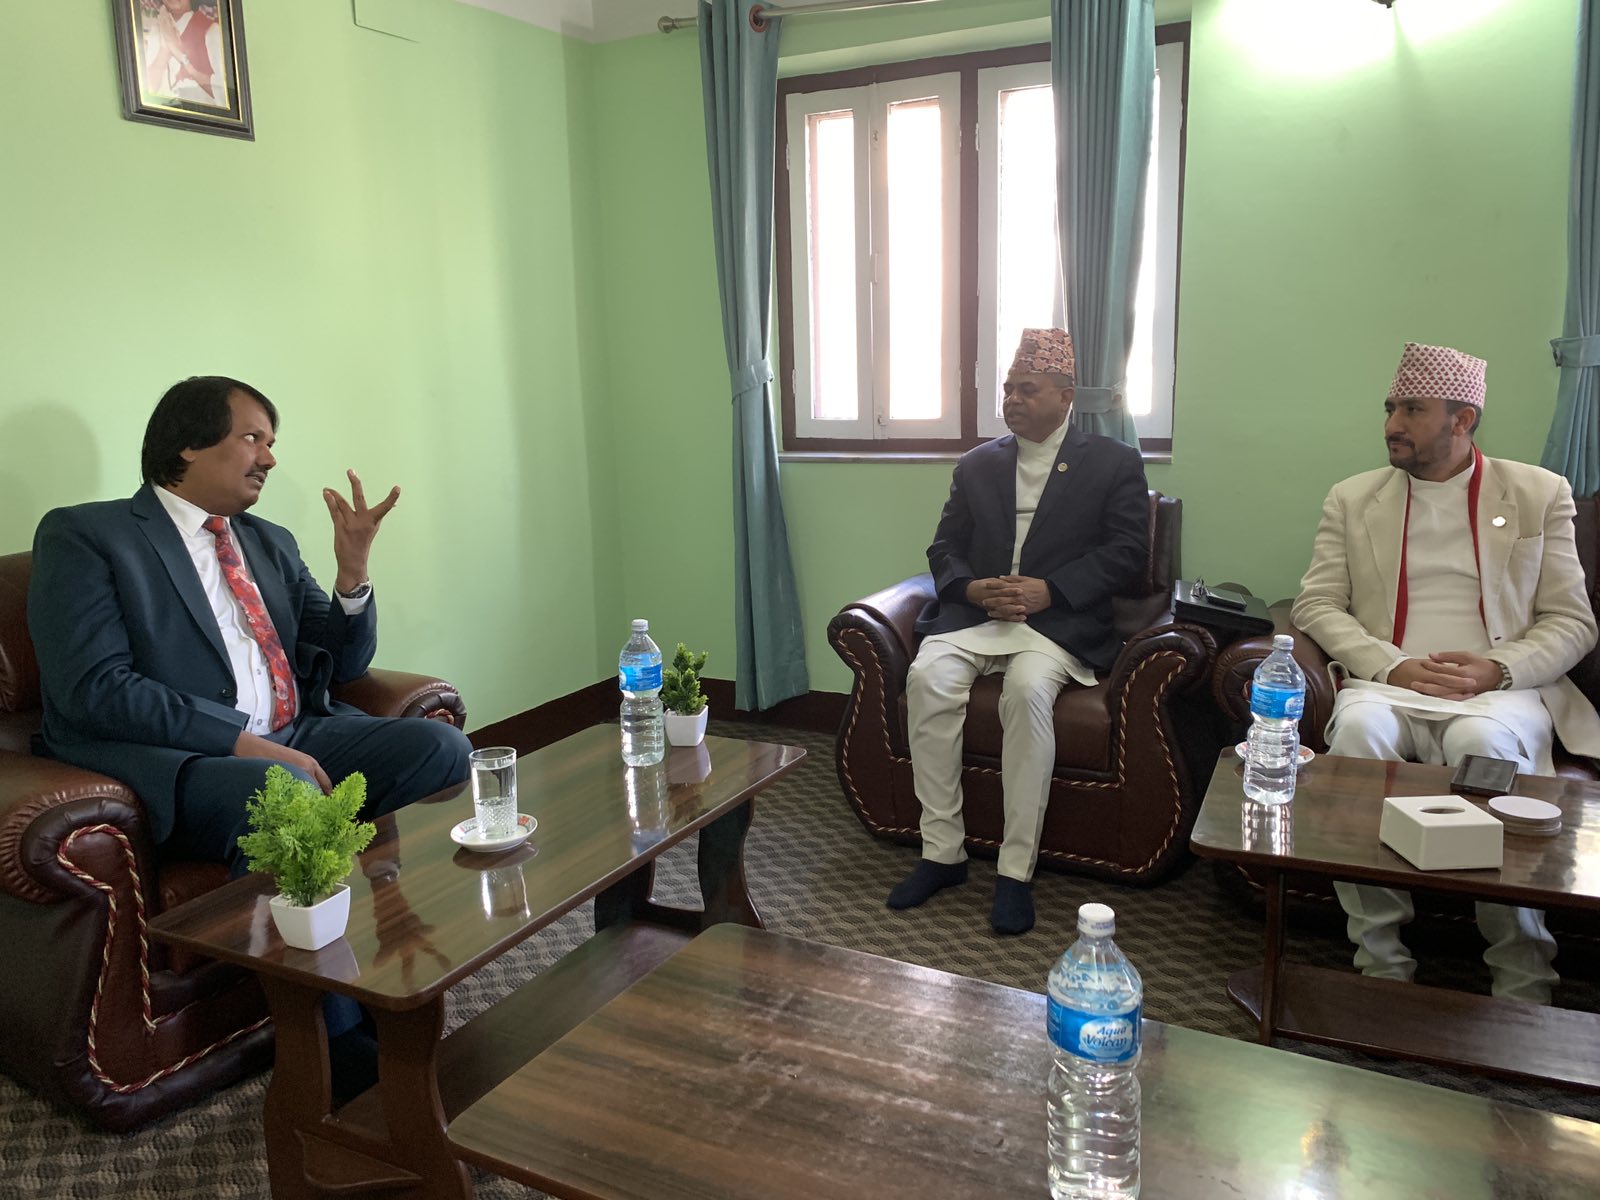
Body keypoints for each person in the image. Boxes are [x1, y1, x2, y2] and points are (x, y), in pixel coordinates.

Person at [28, 375, 472, 1097]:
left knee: (439, 748)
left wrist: (353, 571)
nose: (269, 457)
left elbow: (341, 663)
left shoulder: (268, 540)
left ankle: (396, 958)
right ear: (187, 443)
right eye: (252, 438)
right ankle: (334, 1047)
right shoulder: (87, 535)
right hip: (181, 759)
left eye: (271, 442)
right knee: (282, 790)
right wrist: (240, 740)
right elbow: (95, 688)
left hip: (295, 731)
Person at [1292, 342, 1600, 1004]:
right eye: (1390, 408)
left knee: (1480, 748)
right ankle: (1379, 960)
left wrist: (1498, 668)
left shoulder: (1538, 493)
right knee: (1357, 737)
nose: (1391, 424)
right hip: (1386, 684)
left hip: (1498, 695)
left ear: (1462, 420)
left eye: (1412, 410)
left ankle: (1521, 975)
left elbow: (1573, 622)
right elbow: (1315, 603)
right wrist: (1392, 664)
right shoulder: (1353, 498)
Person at [886, 329, 1150, 935]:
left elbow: (1128, 552)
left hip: (1057, 622)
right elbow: (944, 547)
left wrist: (1051, 589)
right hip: (976, 617)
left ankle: (1014, 870)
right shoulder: (978, 464)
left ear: (1065, 396)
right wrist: (973, 588)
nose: (1012, 399)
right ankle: (942, 853)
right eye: (1008, 388)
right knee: (927, 678)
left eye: (1027, 389)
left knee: (1027, 691)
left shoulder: (1112, 462)